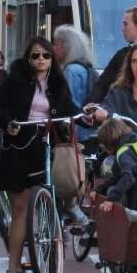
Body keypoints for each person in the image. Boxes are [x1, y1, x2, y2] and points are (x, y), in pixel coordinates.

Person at [0, 37, 91, 273]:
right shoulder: (15, 79)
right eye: (35, 55)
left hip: (47, 145)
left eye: (45, 55)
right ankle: (14, 268)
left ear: (52, 59)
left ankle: (54, 249)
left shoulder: (58, 83)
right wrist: (9, 124)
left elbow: (70, 108)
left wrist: (87, 118)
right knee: (19, 209)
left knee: (50, 198)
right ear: (28, 58)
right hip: (17, 147)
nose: (40, 60)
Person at [52, 24, 98, 226]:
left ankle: (68, 218)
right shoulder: (86, 68)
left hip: (73, 132)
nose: (53, 49)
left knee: (64, 177)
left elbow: (66, 103)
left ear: (65, 47)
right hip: (87, 131)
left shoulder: (70, 71)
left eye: (57, 44)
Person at [85, 6, 137, 105]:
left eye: (125, 24)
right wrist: (91, 102)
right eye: (134, 61)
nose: (122, 29)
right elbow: (102, 84)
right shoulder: (121, 55)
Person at [92, 117, 137, 212]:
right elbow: (117, 177)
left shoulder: (124, 154)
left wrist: (112, 198)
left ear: (109, 143)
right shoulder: (131, 145)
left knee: (112, 190)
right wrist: (100, 188)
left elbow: (128, 177)